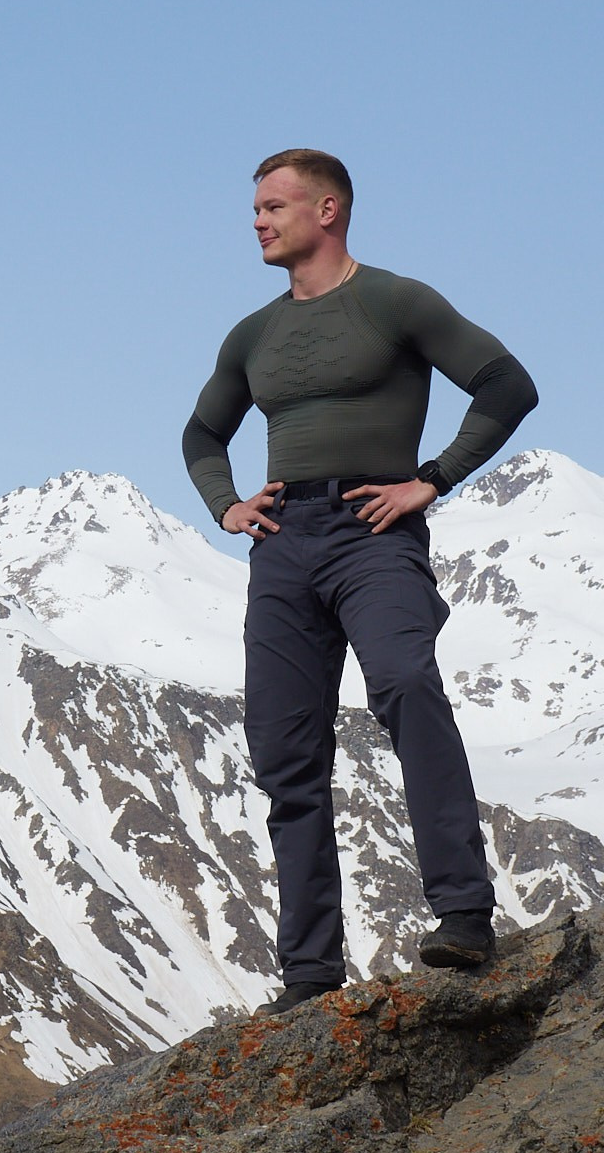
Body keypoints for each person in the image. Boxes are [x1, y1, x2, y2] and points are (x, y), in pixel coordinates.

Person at [182, 149, 539, 1014]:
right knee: (284, 756)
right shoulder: (252, 334)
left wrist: (434, 475)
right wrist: (227, 505)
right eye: (255, 209)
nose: (258, 221)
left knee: (408, 684)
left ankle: (463, 915)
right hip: (282, 547)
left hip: (372, 534)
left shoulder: (394, 301)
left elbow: (506, 384)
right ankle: (309, 976)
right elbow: (201, 433)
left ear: (328, 210)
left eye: (274, 206)